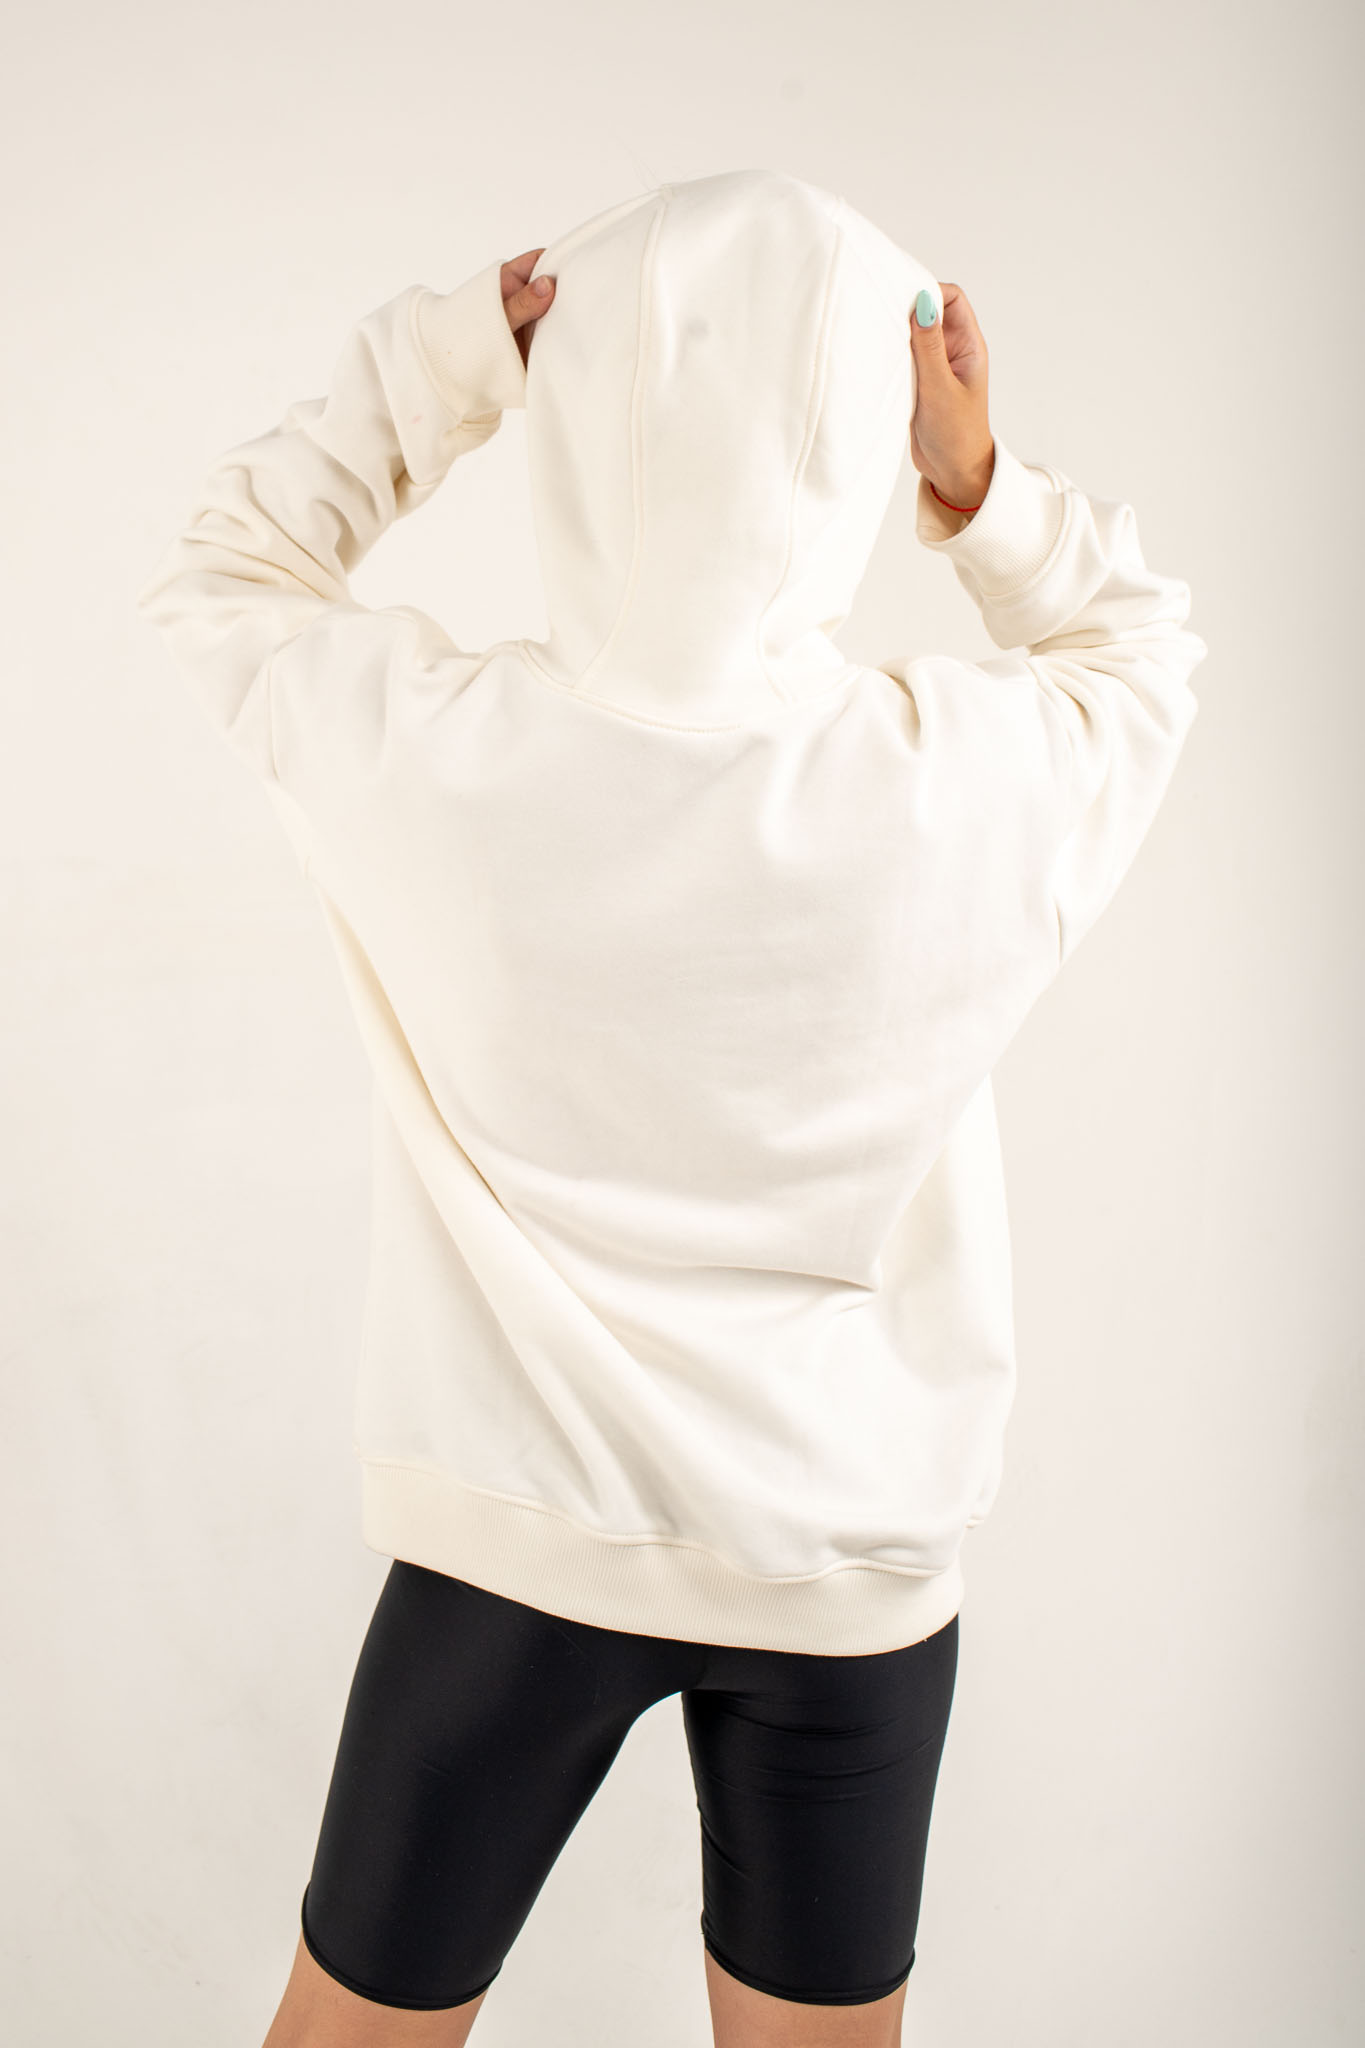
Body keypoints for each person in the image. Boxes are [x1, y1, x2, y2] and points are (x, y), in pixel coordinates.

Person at [134, 170, 1206, 2047]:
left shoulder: (443, 751)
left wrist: (447, 366)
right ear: (857, 447)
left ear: (573, 419)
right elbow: (1138, 657)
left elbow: (229, 567)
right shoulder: (954, 780)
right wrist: (978, 485)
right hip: (847, 1575)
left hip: (514, 1551)